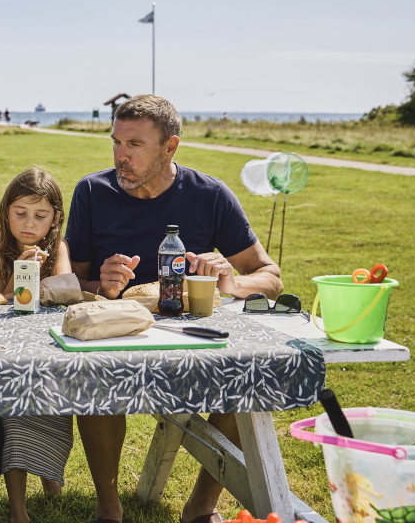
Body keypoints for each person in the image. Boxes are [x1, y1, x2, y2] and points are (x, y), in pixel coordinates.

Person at [64, 95, 283, 523]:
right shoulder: (92, 191)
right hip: (118, 339)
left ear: (170, 147)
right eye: (116, 142)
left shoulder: (210, 195)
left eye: (135, 145)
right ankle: (109, 508)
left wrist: (232, 281)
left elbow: (272, 278)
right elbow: (70, 283)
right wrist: (99, 283)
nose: (120, 156)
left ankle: (202, 506)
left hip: (194, 339)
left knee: (247, 376)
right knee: (94, 380)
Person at [0, 166, 73, 523]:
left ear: (54, 220)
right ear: (6, 212)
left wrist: (42, 275)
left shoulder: (58, 249)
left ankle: (51, 475)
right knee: (16, 420)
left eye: (40, 216)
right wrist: (20, 277)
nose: (29, 224)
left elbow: (65, 293)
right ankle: (18, 510)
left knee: (54, 411)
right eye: (20, 213)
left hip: (47, 350)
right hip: (5, 355)